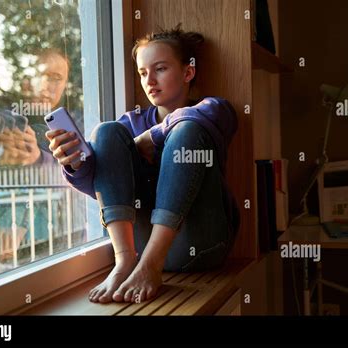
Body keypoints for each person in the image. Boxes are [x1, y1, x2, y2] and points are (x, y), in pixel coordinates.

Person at [46, 24, 240, 303]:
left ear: (188, 72)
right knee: (106, 131)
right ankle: (124, 261)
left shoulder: (214, 110)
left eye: (160, 69)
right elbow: (105, 188)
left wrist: (154, 136)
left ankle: (150, 264)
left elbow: (194, 119)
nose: (149, 80)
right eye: (142, 72)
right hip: (140, 247)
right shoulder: (130, 124)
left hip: (201, 245)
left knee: (185, 131)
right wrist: (75, 164)